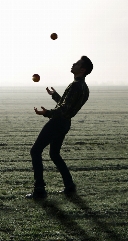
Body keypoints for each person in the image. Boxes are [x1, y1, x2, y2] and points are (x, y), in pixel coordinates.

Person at [26, 56, 93, 199]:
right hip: (65, 123)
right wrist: (55, 95)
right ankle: (69, 186)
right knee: (54, 154)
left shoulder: (76, 86)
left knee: (35, 151)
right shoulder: (84, 87)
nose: (73, 64)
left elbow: (63, 109)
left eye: (76, 63)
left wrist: (47, 113)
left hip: (58, 122)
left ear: (82, 69)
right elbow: (67, 106)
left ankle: (39, 190)